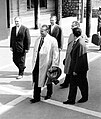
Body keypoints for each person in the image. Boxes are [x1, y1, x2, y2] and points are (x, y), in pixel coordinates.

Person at [30, 25, 59, 103]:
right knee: (36, 80)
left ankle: (49, 93)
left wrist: (54, 65)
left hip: (47, 63)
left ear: (47, 31)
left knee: (48, 80)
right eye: (40, 31)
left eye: (42, 31)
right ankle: (36, 97)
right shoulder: (38, 39)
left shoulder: (52, 40)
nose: (41, 33)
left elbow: (56, 53)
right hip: (37, 62)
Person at [63, 27, 89, 105]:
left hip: (78, 69)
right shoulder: (78, 42)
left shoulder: (80, 43)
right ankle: (71, 99)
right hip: (76, 67)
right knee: (74, 84)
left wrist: (75, 70)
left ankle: (84, 97)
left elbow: (80, 59)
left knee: (82, 84)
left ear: (74, 35)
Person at [60, 21, 88, 89]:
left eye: (73, 26)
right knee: (68, 70)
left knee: (72, 70)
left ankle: (69, 83)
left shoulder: (81, 35)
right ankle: (66, 82)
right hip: (69, 54)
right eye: (71, 26)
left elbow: (85, 43)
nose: (71, 27)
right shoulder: (71, 35)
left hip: (75, 56)